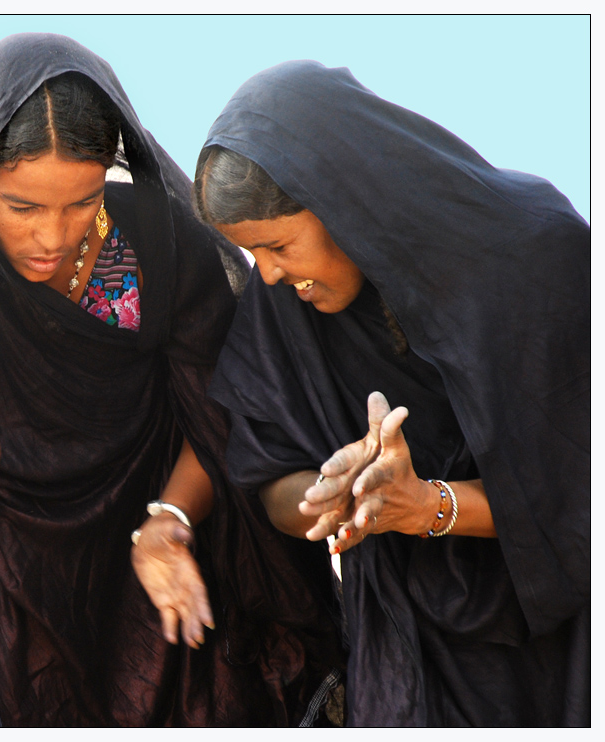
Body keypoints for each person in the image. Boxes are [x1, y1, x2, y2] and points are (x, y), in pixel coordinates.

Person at [0, 34, 343, 726]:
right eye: (21, 207)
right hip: (13, 593)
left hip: (158, 557)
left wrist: (172, 519)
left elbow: (222, 414)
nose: (52, 237)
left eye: (81, 202)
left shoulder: (159, 240)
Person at [193, 61, 590, 726]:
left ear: (345, 199)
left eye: (278, 245)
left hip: (557, 650)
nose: (266, 275)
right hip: (401, 643)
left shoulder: (538, 258)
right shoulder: (287, 303)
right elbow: (269, 481)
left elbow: (578, 497)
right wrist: (334, 492)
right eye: (250, 254)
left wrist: (426, 505)